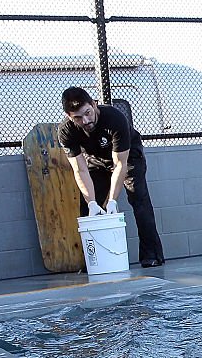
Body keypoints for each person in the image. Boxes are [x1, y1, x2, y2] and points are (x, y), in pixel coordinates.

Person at [58, 86, 165, 267]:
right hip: (95, 159)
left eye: (88, 113)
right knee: (87, 207)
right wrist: (92, 202)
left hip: (127, 156)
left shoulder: (114, 118)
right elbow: (80, 170)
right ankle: (94, 260)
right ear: (69, 117)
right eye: (77, 117)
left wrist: (113, 201)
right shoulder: (66, 131)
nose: (85, 120)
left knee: (138, 198)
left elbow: (120, 164)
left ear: (94, 104)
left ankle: (152, 255)